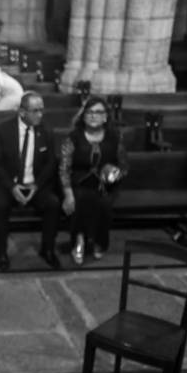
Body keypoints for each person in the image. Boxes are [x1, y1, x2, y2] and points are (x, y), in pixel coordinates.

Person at [0, 92, 61, 271]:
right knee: (0, 205)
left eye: (42, 110)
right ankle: (1, 252)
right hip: (7, 184)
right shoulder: (2, 129)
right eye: (35, 111)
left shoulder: (46, 131)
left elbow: (51, 164)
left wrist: (36, 186)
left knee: (53, 204)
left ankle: (47, 250)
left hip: (34, 185)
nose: (40, 115)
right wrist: (12, 187)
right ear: (22, 112)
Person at [60, 95, 129, 265]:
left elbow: (124, 166)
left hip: (106, 184)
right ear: (83, 116)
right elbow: (64, 168)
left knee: (103, 203)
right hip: (79, 181)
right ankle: (79, 241)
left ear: (105, 117)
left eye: (98, 112)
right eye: (89, 112)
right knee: (81, 198)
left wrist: (114, 174)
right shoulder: (73, 137)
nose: (93, 115)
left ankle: (100, 241)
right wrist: (68, 194)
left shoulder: (115, 137)